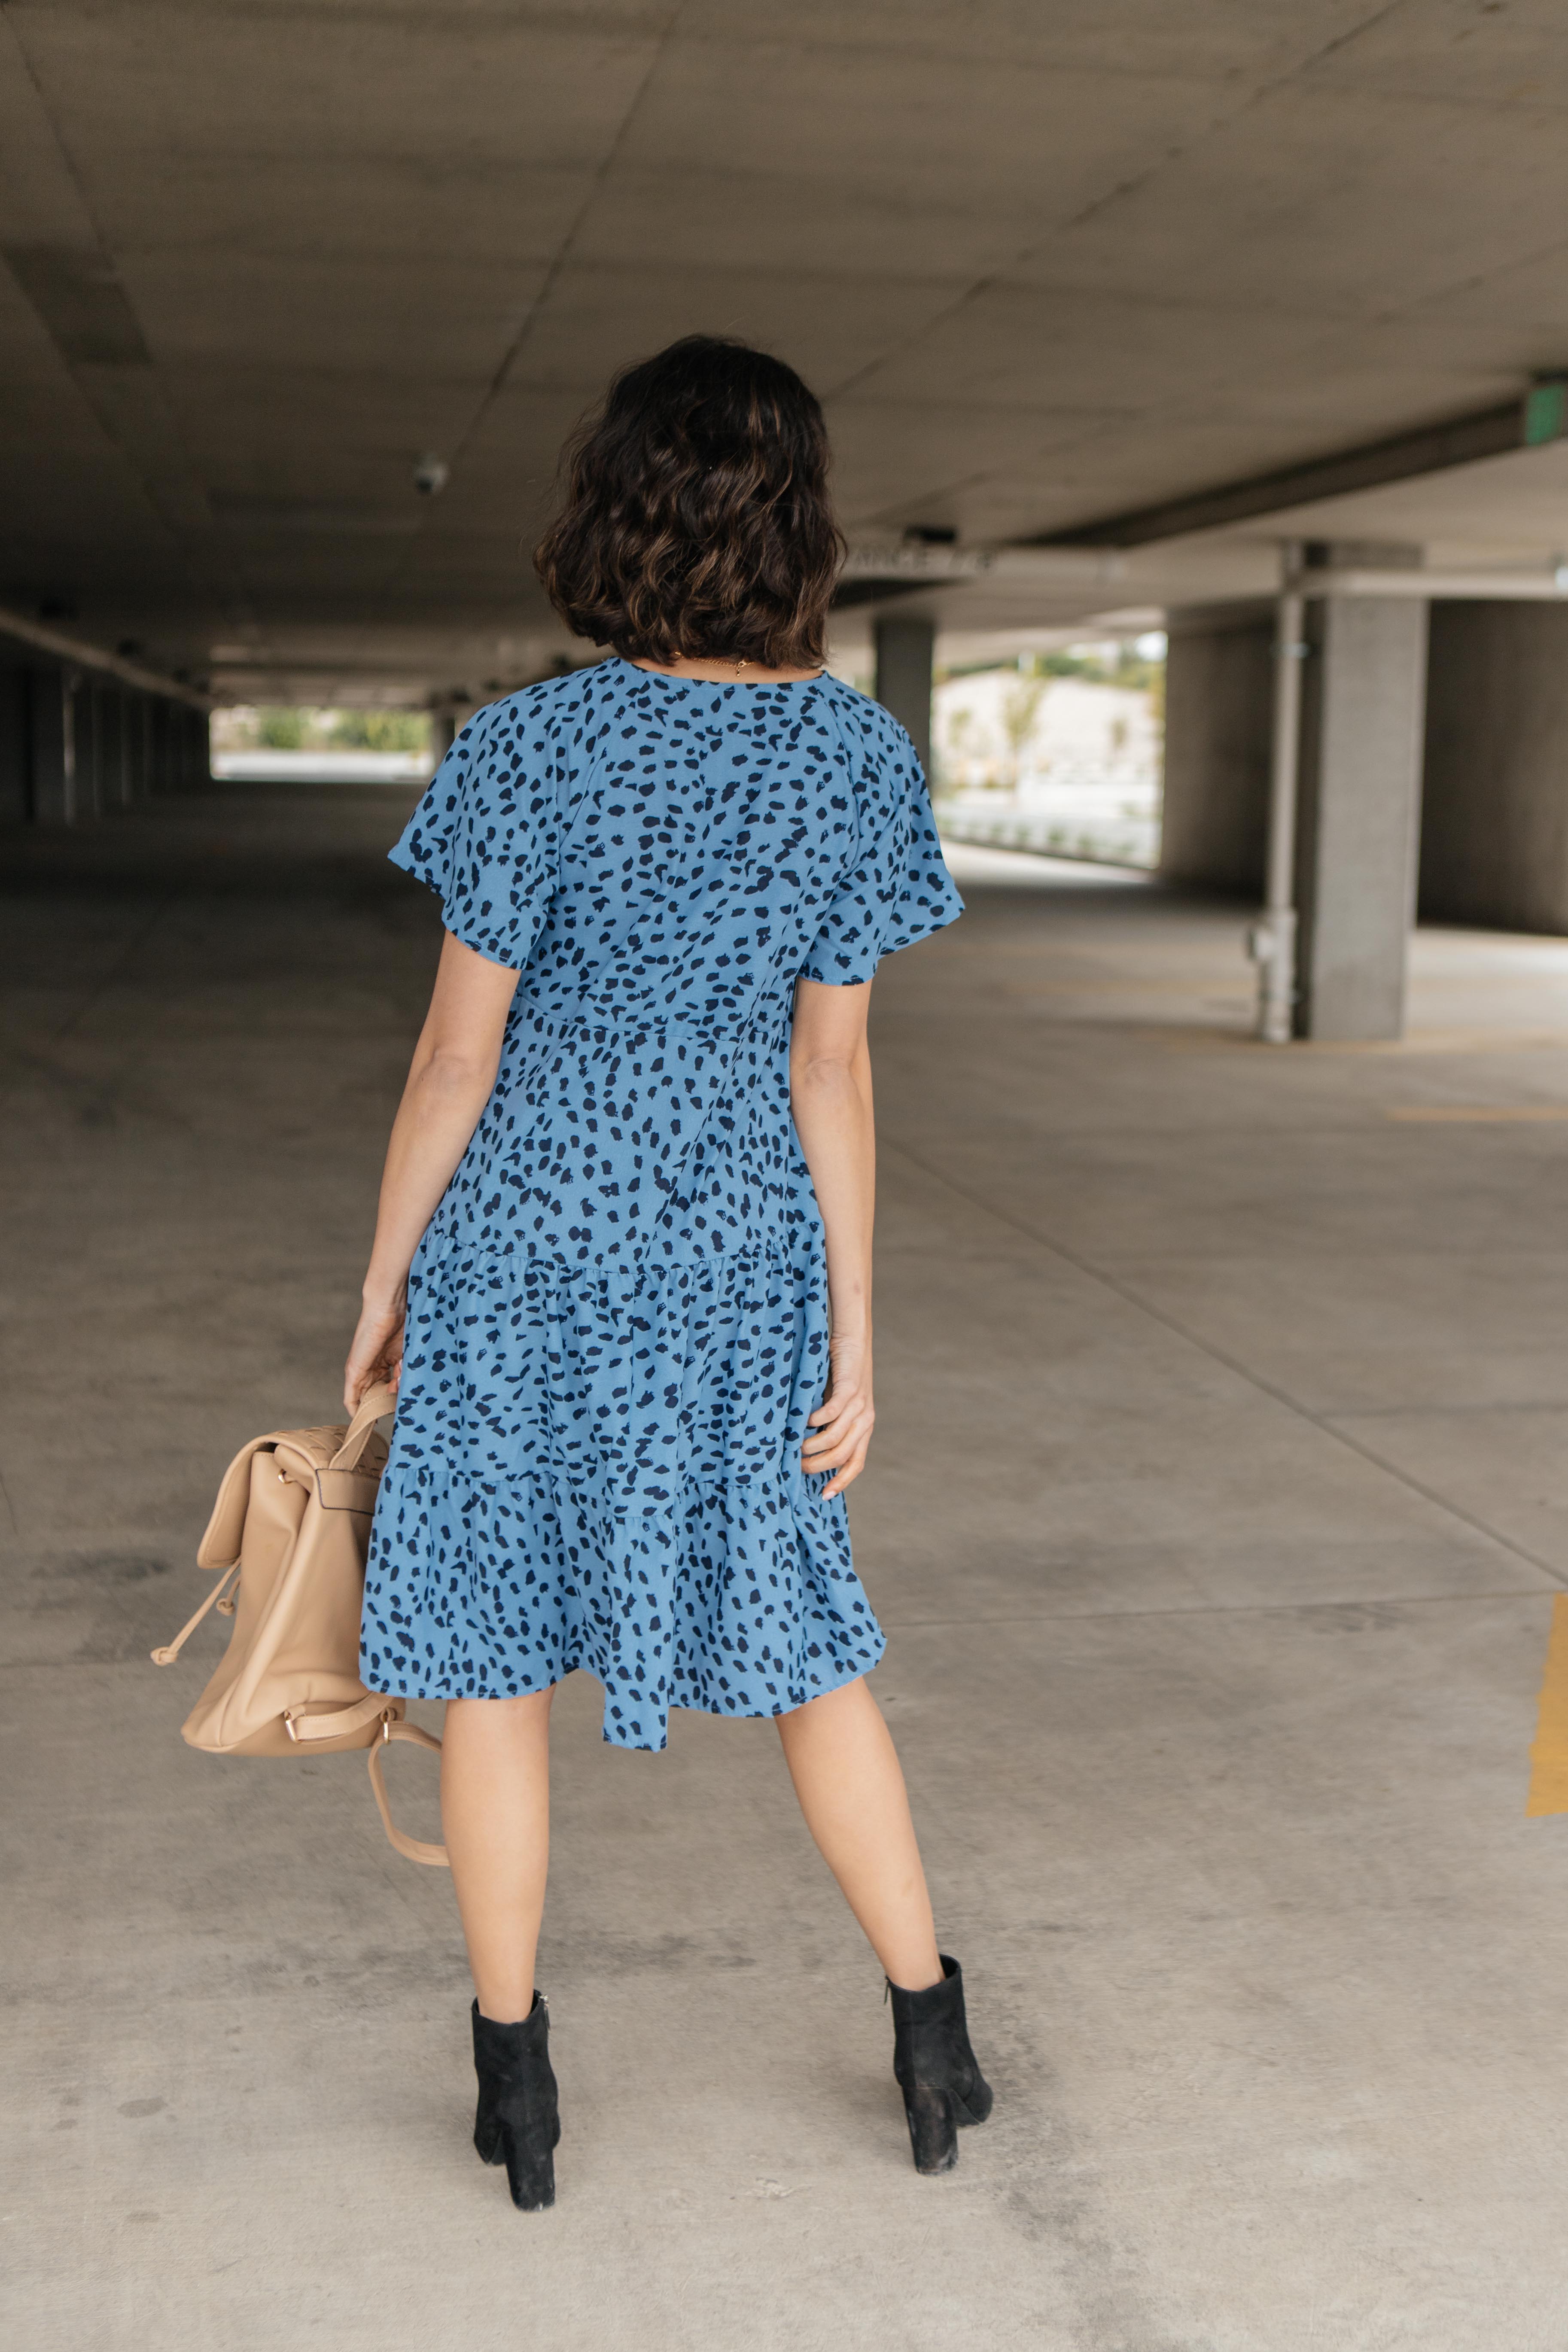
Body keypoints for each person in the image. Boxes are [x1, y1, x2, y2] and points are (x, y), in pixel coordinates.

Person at [343, 335, 989, 2210]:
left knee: (489, 1662)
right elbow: (834, 1067)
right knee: (806, 1642)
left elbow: (454, 1057)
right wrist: (855, 1329)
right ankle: (927, 2025)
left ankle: (516, 2084)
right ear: (795, 526)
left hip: (524, 1251)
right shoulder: (854, 757)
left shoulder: (527, 748)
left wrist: (384, 1281)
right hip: (734, 1263)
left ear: (609, 510)